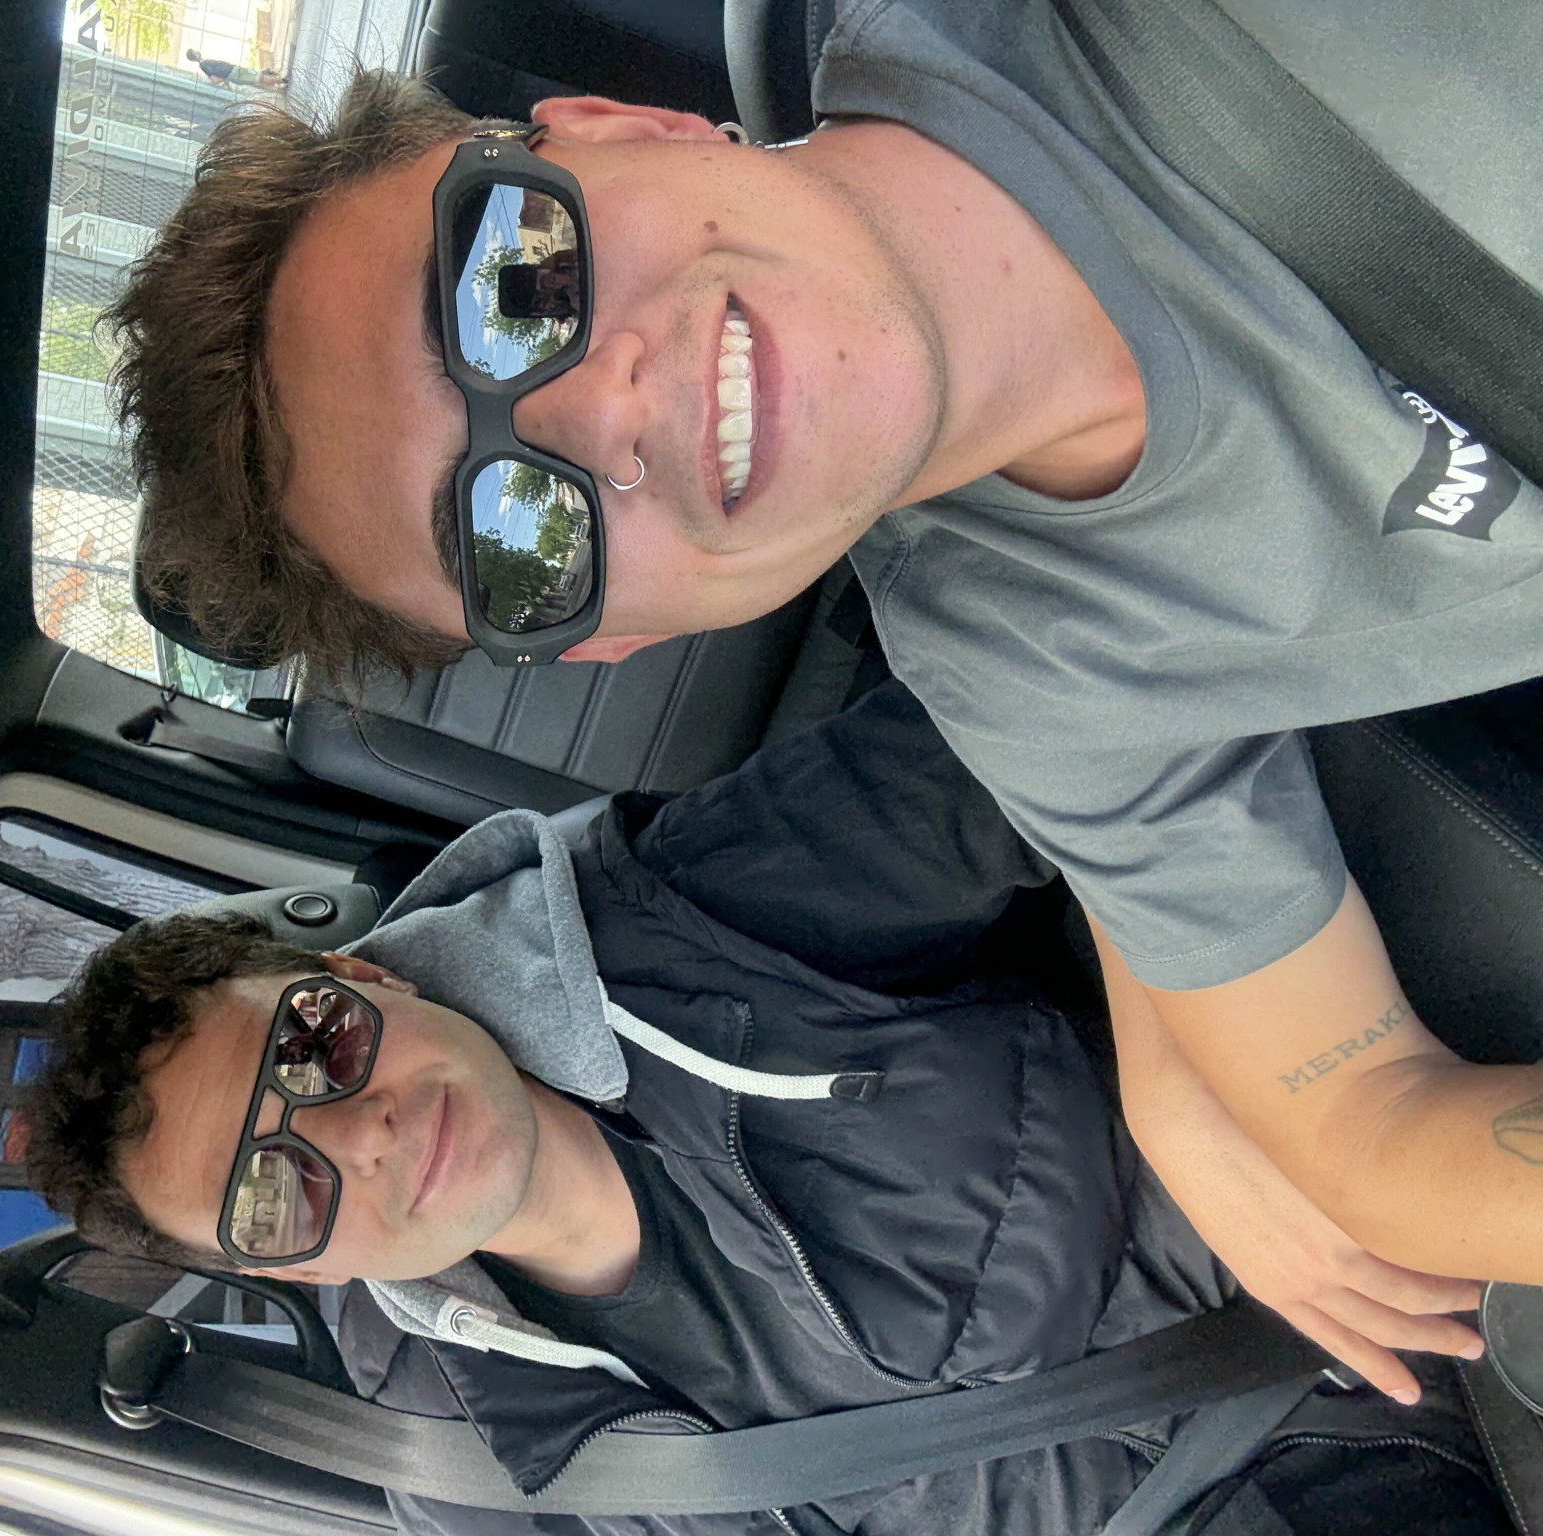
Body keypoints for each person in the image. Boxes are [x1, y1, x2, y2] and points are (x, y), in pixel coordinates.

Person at [102, 0, 1543, 1334]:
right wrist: (1208, 1065)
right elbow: (1358, 1125)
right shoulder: (1021, 671)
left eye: (514, 282)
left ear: (621, 125)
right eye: (522, 538)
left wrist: (1176, 1039)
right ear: (619, 635)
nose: (603, 411)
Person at [22, 687, 1511, 1536]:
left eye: (314, 1050)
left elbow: (1067, 703)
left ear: (354, 974)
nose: (362, 1138)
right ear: (291, 1269)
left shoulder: (677, 923)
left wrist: (1184, 1092)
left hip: (1405, 1276)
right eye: (277, 1194)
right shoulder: (462, 1459)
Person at [185, 48, 283, 91]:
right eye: (195, 52)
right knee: (258, 78)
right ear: (194, 55)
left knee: (257, 81)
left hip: (232, 72)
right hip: (232, 73)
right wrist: (224, 78)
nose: (197, 52)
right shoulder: (204, 65)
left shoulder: (204, 63)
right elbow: (214, 79)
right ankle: (281, 80)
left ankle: (279, 87)